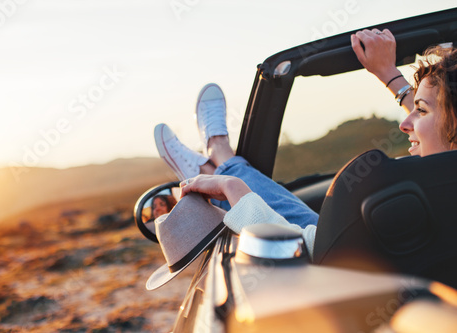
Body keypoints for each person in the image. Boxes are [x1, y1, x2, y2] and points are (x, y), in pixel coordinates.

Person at [154, 29, 457, 256]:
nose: (404, 124)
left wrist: (234, 189)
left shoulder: (419, 210)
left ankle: (217, 156)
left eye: (420, 109)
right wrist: (391, 76)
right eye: (412, 108)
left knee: (313, 222)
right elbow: (442, 114)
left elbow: (313, 253)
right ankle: (215, 161)